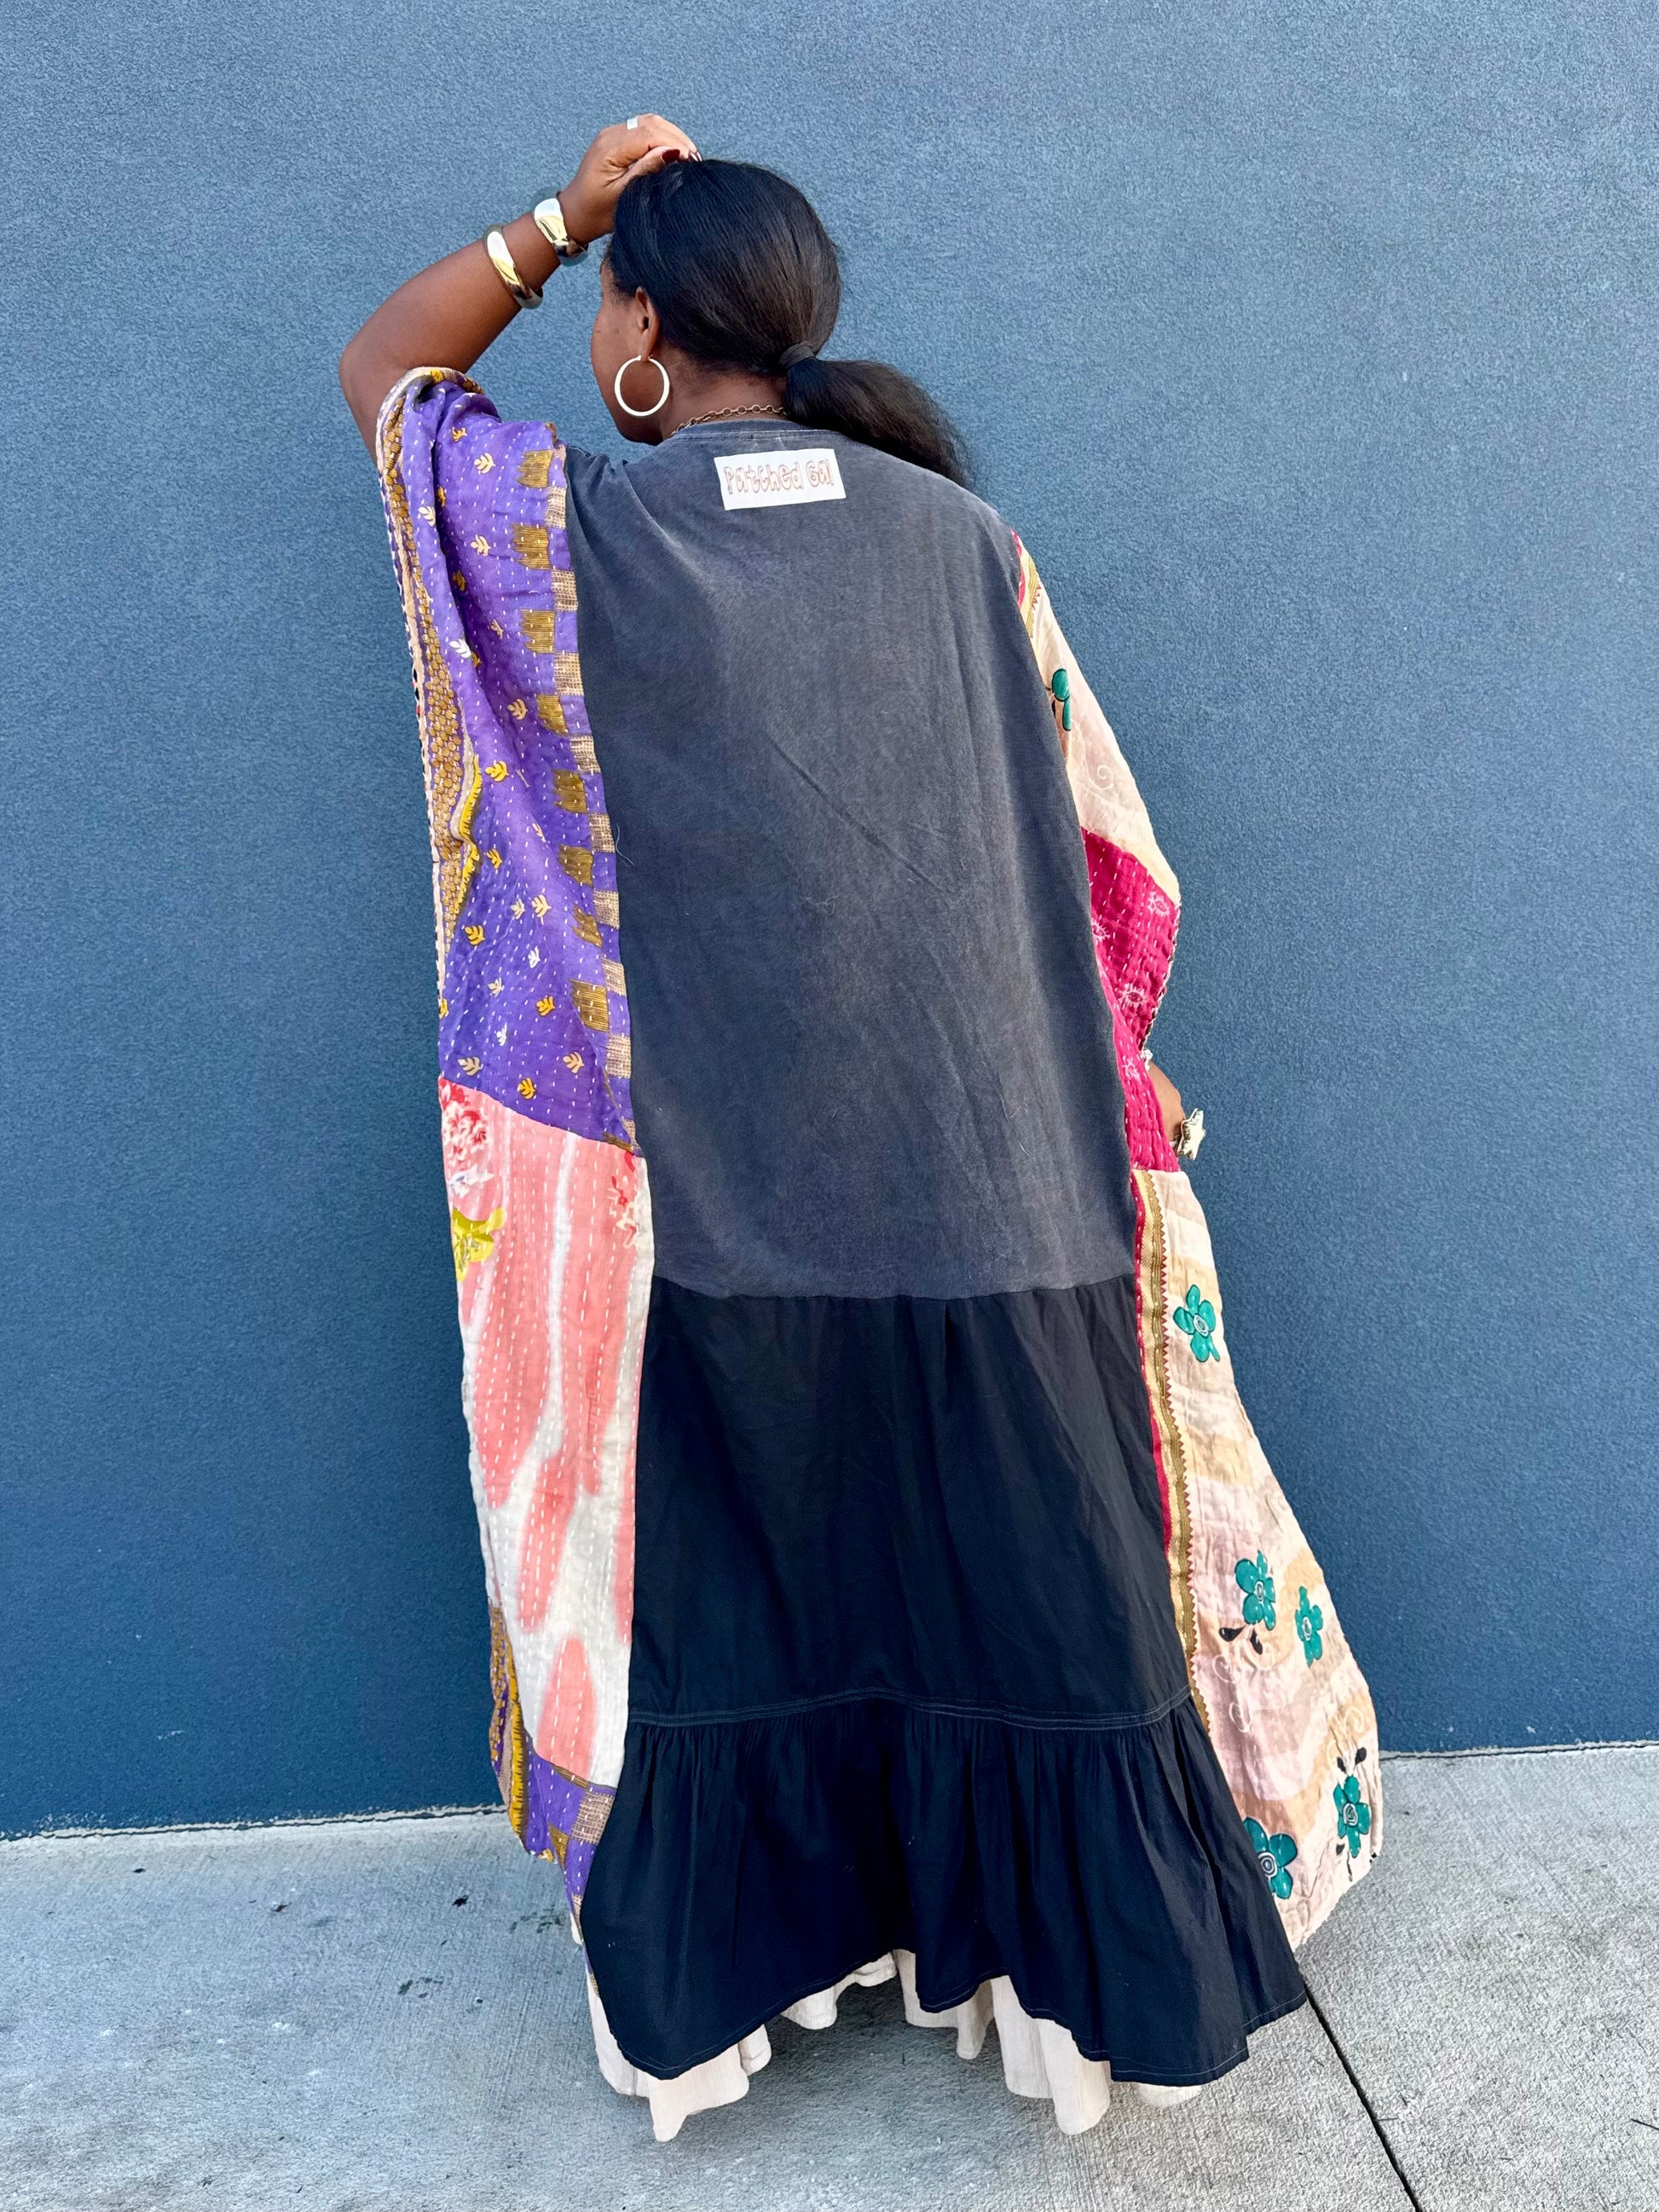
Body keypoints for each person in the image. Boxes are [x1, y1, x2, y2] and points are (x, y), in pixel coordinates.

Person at [341, 118, 1380, 2143]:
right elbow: (1096, 856)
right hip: (1002, 1196)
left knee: (726, 1610)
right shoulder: (963, 541)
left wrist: (560, 215)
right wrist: (1103, 1075)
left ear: (644, 329)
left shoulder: (566, 528)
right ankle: (1058, 1977)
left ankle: (743, 1968)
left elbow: (390, 373)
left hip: (700, 1223)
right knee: (1029, 1595)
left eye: (610, 299)